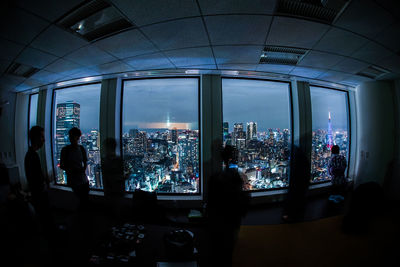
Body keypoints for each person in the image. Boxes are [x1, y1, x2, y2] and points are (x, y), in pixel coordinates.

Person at [206, 145, 250, 267]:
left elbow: (210, 202)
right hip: (232, 221)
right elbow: (243, 203)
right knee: (228, 250)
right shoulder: (238, 178)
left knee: (216, 251)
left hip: (216, 221)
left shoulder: (214, 177)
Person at [24, 126, 54, 235]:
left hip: (37, 193)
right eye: (42, 137)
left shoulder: (30, 154)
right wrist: (45, 180)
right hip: (39, 194)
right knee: (45, 218)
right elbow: (36, 178)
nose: (44, 140)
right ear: (35, 138)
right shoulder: (33, 156)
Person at [60, 127, 89, 212]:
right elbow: (62, 165)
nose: (71, 138)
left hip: (82, 181)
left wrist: (78, 170)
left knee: (82, 204)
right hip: (75, 181)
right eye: (70, 136)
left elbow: (85, 163)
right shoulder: (65, 150)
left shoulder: (81, 149)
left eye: (73, 136)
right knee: (78, 204)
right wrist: (72, 170)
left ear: (78, 137)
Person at [101, 138, 125, 221]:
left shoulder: (105, 160)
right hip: (117, 191)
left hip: (109, 192)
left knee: (111, 215)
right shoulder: (117, 160)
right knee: (117, 214)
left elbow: (107, 177)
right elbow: (118, 177)